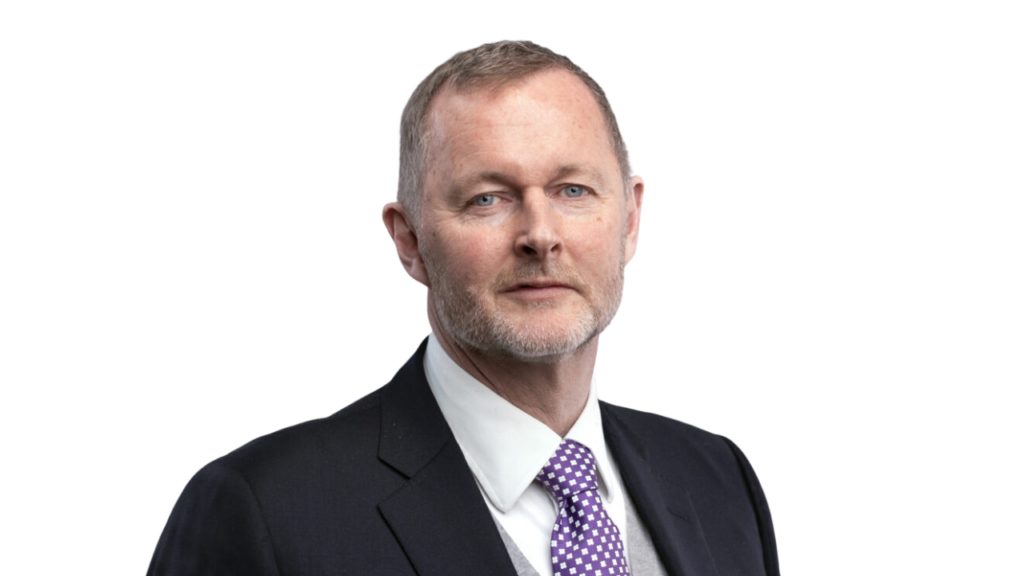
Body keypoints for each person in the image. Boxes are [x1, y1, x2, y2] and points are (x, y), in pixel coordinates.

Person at [148, 40, 779, 576]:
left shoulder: (718, 481)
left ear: (631, 219)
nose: (540, 234)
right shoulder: (266, 511)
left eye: (573, 190)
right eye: (487, 199)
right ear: (410, 241)